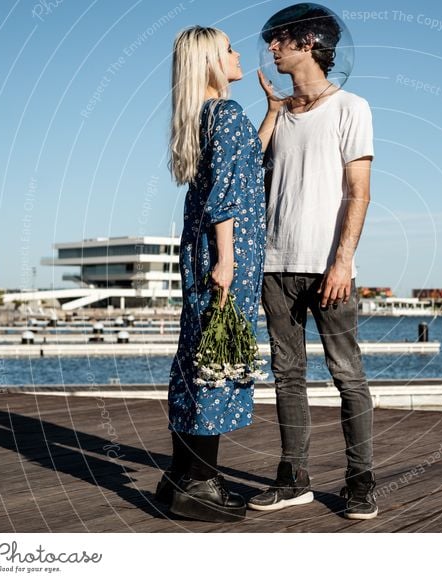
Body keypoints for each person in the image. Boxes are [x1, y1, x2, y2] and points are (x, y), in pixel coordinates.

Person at [248, 6, 378, 520]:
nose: (271, 49)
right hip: (274, 266)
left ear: (306, 42)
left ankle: (361, 481)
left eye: (278, 40)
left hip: (329, 267)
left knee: (347, 374)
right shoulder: (279, 115)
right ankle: (294, 478)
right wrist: (273, 113)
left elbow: (359, 192)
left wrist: (342, 262)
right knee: (287, 375)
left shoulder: (351, 107)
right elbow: (250, 175)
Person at [156, 26, 266, 523]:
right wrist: (228, 261)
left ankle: (180, 476)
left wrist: (272, 118)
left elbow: (241, 167)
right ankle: (201, 483)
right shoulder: (226, 113)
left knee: (198, 356)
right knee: (217, 362)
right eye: (229, 49)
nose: (238, 54)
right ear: (209, 63)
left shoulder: (205, 117)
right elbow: (227, 194)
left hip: (202, 252)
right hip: (226, 256)